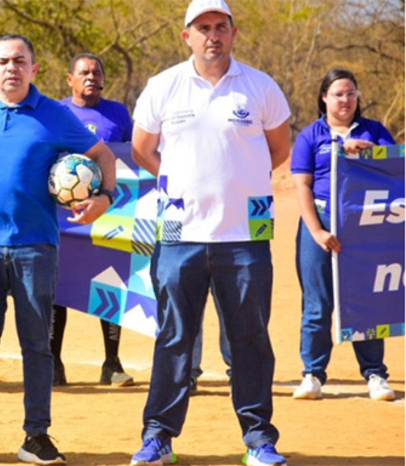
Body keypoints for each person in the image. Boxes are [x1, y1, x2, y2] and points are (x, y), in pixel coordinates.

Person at [129, 1, 291, 465]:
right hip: (179, 233)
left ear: (233, 32)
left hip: (245, 234)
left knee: (250, 338)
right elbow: (142, 149)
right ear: (187, 36)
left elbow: (278, 150)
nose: (213, 35)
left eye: (221, 27)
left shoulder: (261, 87)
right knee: (174, 337)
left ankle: (258, 439)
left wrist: (238, 182)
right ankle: (158, 437)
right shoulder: (163, 86)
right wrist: (180, 181)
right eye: (203, 28)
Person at [0, 33, 116, 465]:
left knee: (37, 344)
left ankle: (36, 437)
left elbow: (104, 156)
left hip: (36, 247)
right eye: (3, 61)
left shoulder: (54, 113)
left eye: (20, 60)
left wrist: (104, 197)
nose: (12, 68)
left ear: (33, 68)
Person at [290, 67, 396, 402]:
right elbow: (301, 185)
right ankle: (312, 375)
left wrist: (367, 152)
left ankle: (375, 374)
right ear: (324, 97)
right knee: (317, 304)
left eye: (351, 93)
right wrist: (317, 231)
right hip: (320, 222)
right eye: (338, 94)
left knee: (364, 300)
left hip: (364, 225)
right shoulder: (310, 135)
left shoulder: (374, 130)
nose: (345, 100)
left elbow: (394, 171)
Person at [53, 52, 134, 387]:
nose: (91, 77)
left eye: (96, 72)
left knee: (109, 280)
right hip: (63, 216)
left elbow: (132, 157)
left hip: (109, 212)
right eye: (84, 72)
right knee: (58, 285)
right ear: (69, 79)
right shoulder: (56, 111)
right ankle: (53, 362)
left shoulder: (118, 113)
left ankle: (112, 363)